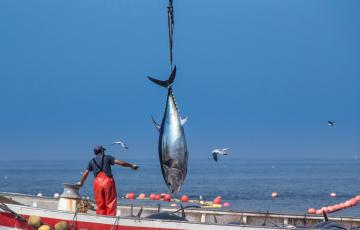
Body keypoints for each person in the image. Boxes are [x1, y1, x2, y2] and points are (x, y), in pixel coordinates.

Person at [77, 145, 139, 216]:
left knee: (100, 204)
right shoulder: (108, 158)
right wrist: (131, 165)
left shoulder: (92, 161)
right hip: (108, 182)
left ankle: (101, 219)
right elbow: (120, 162)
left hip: (97, 183)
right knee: (110, 203)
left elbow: (85, 173)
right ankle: (110, 219)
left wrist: (81, 182)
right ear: (102, 151)